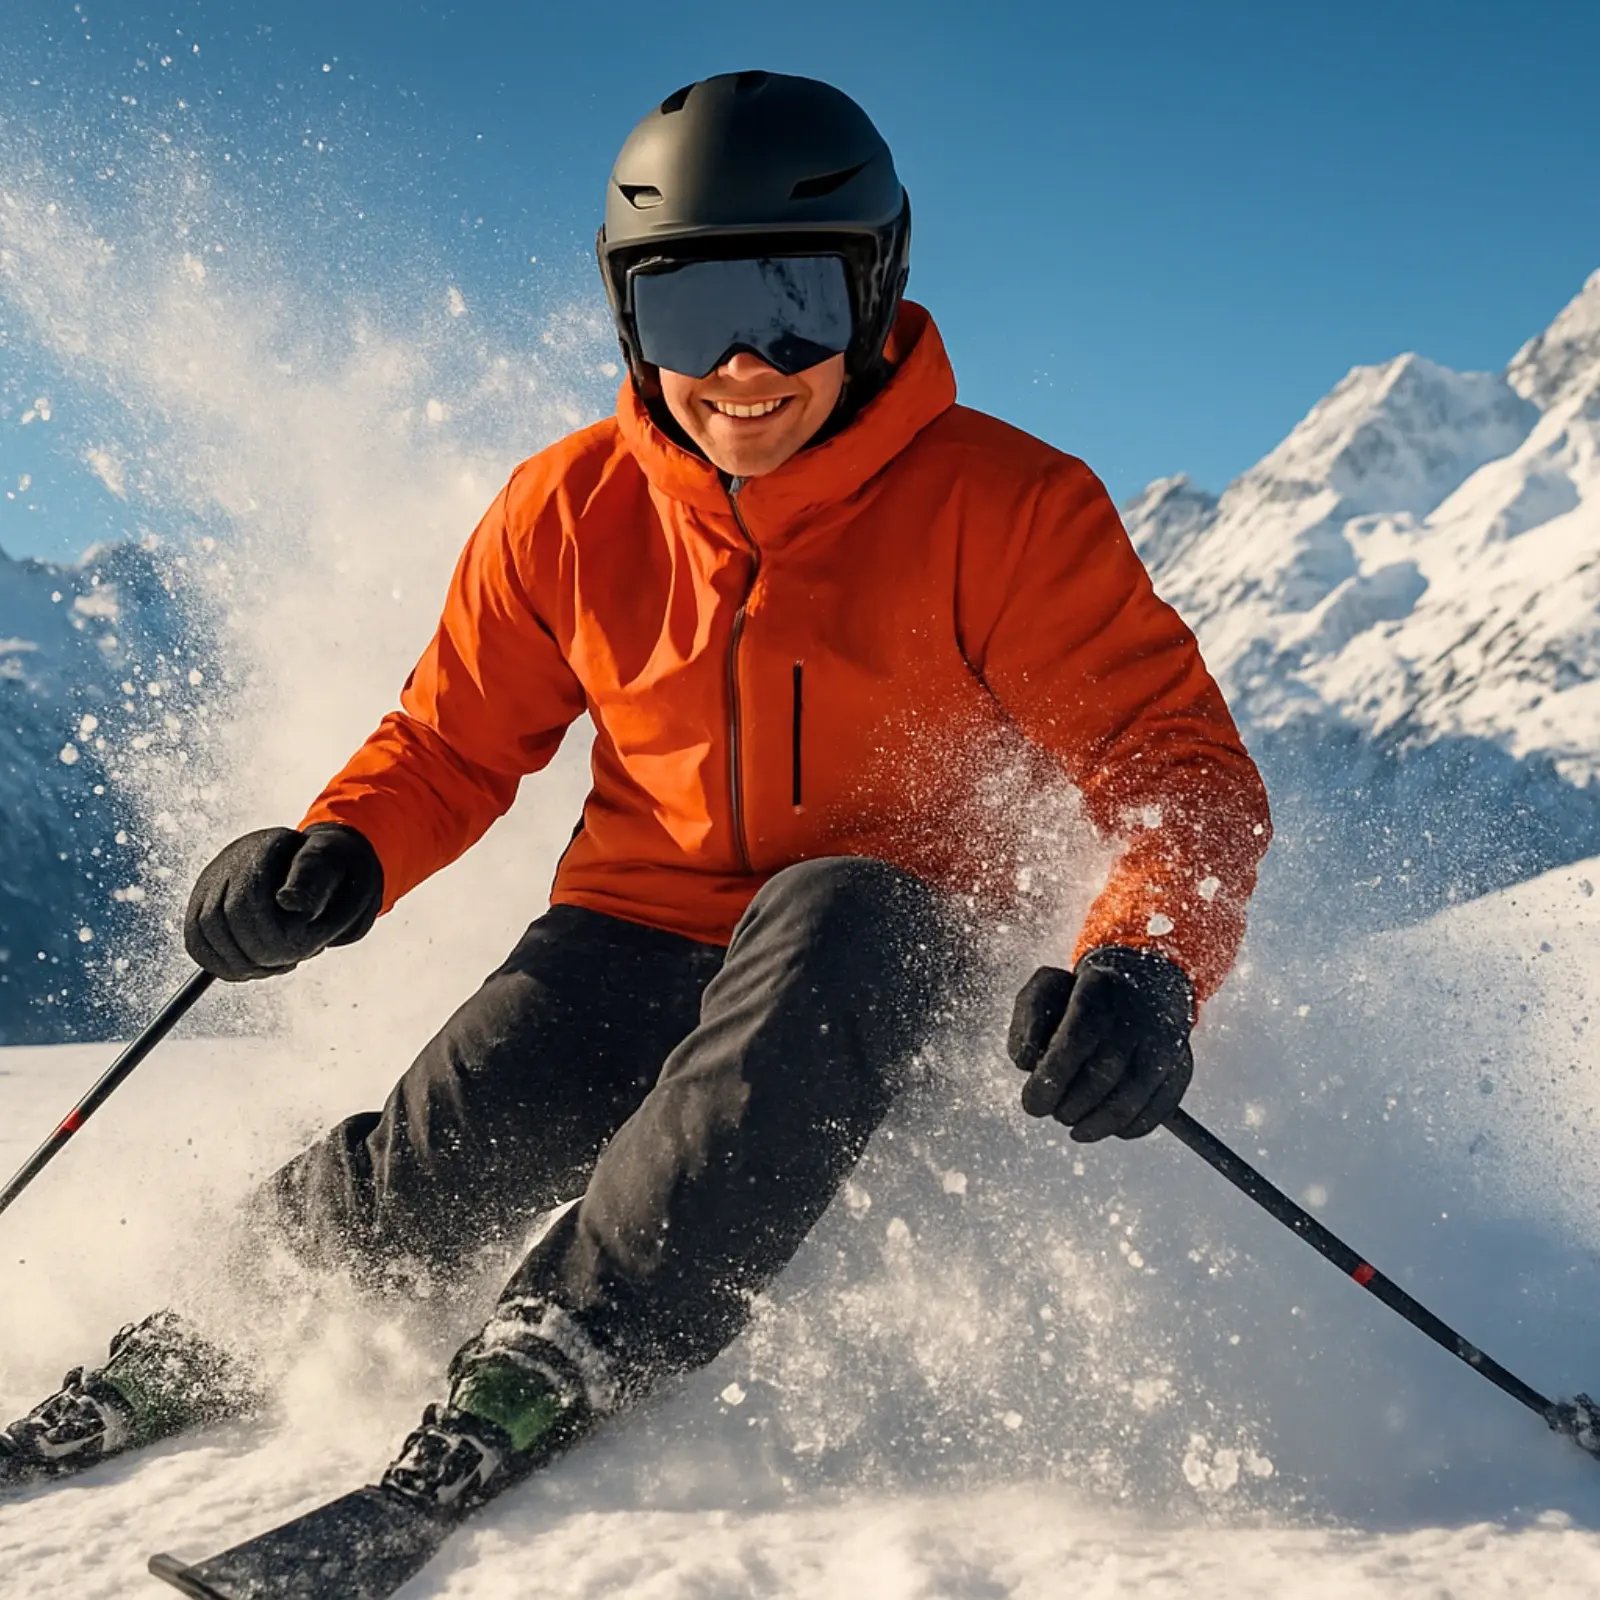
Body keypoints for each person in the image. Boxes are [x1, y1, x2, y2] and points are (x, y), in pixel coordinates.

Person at [0, 71, 1270, 1512]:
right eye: (686, 311)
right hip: (637, 927)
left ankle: (570, 1339)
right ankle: (223, 1321)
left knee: (832, 910)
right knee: (452, 1136)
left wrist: (1144, 963)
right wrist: (339, 849)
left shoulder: (1008, 510)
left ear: (875, 291)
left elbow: (1179, 771)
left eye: (793, 300)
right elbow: (450, 739)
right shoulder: (571, 508)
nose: (741, 362)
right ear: (623, 314)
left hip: (886, 955)